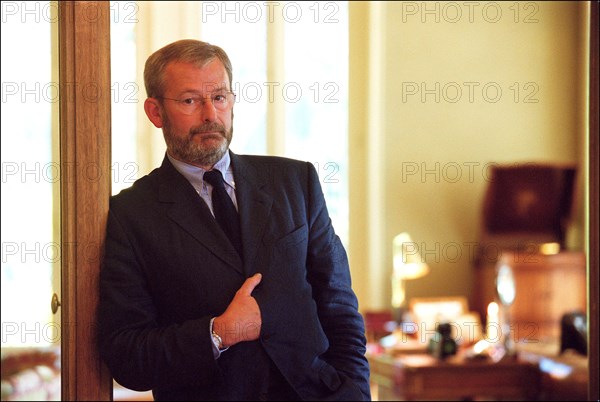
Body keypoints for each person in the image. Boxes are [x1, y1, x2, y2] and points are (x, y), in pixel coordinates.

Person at [98, 39, 371, 401]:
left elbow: (338, 305)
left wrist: (353, 392)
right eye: (190, 100)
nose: (211, 114)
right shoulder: (130, 214)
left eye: (220, 97)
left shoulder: (296, 181)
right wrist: (219, 332)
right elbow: (128, 356)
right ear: (155, 112)